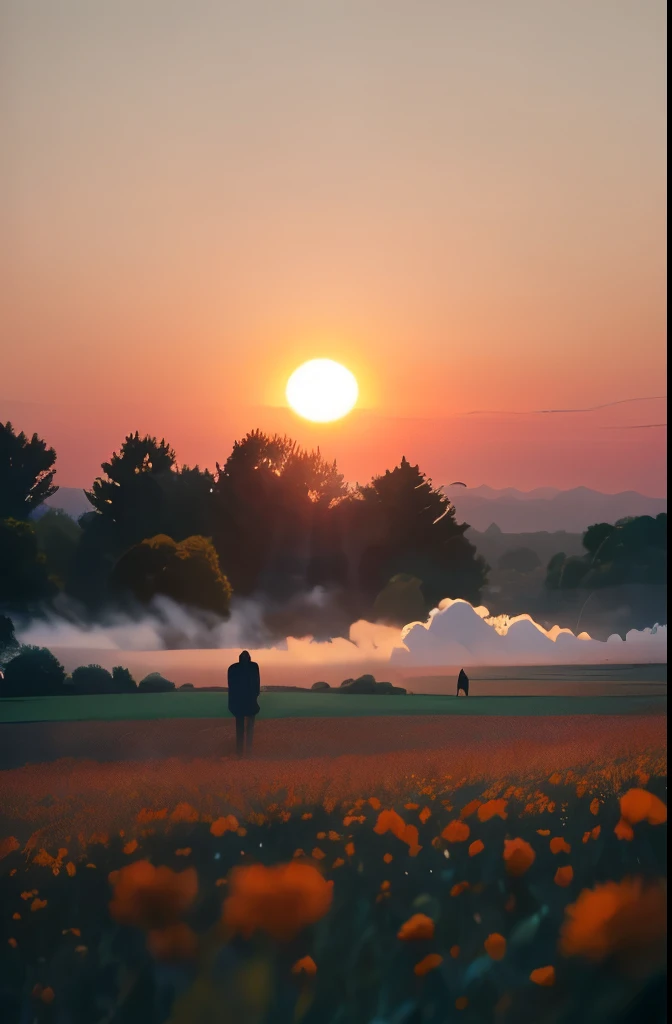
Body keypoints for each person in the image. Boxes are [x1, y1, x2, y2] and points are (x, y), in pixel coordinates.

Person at [227, 651, 260, 755]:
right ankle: (243, 751)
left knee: (241, 728)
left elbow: (231, 687)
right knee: (248, 727)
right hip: (247, 703)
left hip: (241, 703)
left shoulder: (233, 668)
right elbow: (256, 685)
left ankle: (241, 751)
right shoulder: (253, 667)